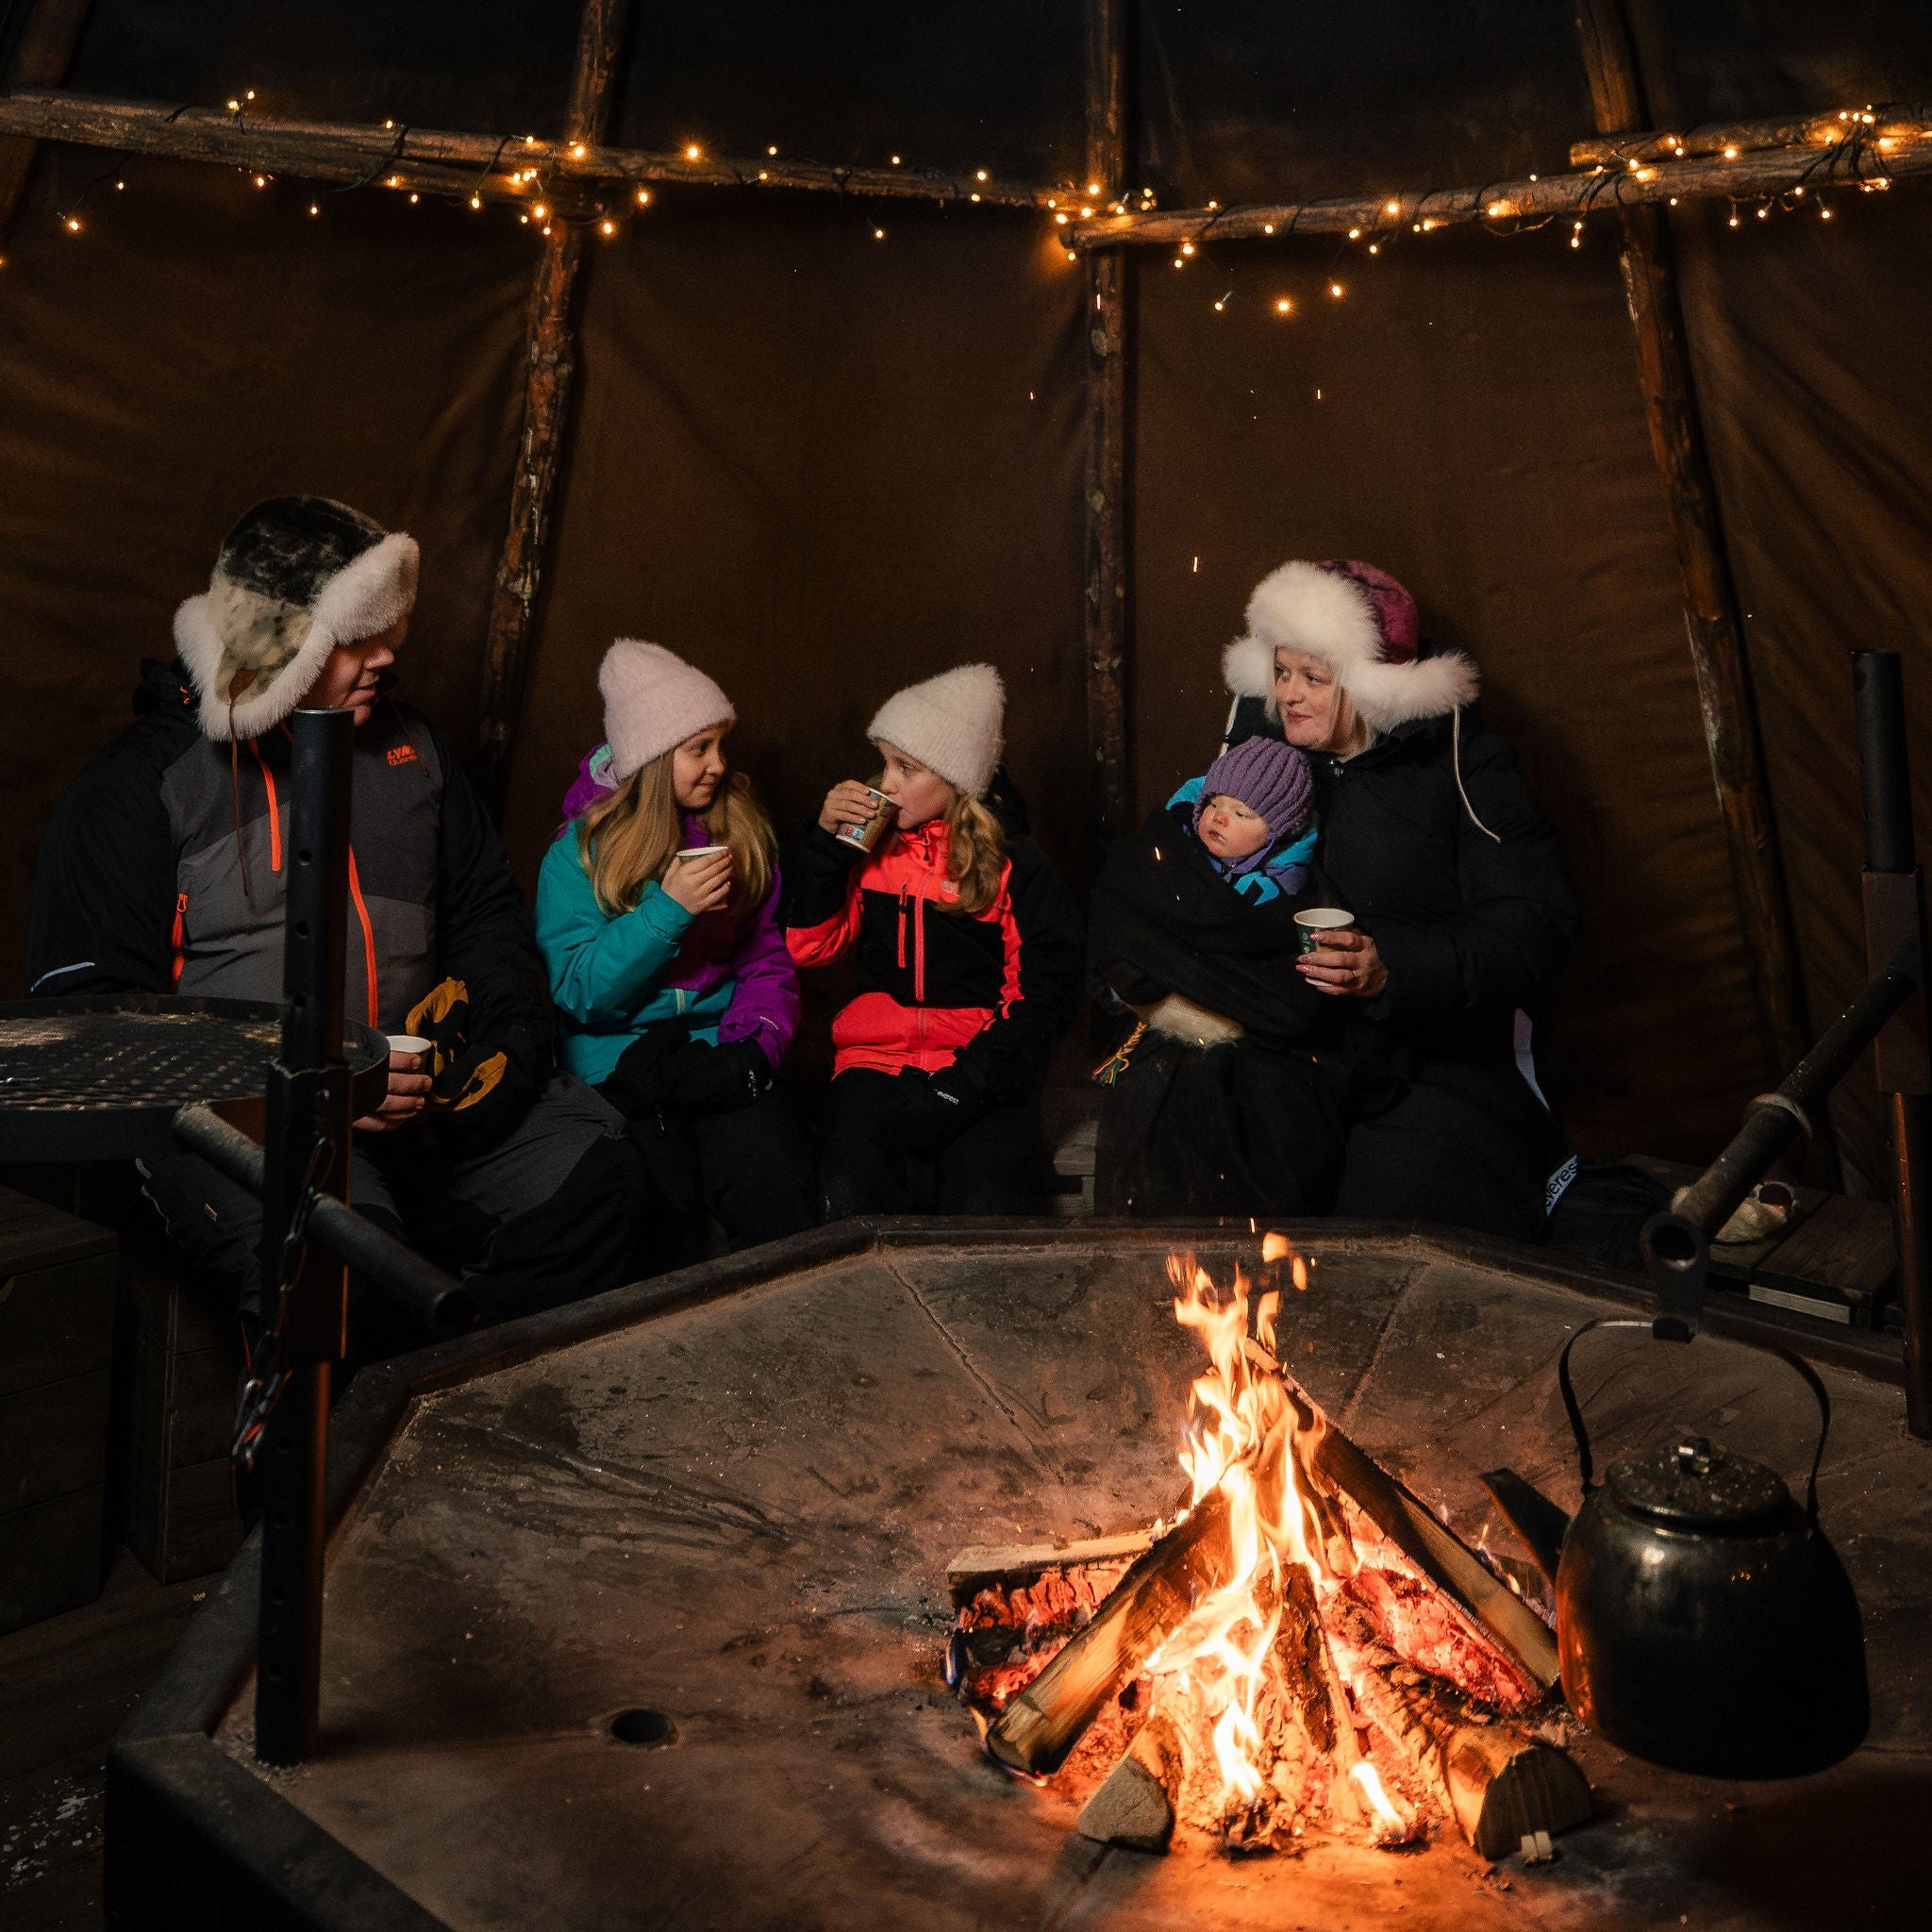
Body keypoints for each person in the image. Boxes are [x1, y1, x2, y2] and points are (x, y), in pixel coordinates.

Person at [25, 495, 649, 1348]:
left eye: (387, 631)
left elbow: (488, 917)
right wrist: (314, 1074)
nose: (388, 656)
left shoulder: (415, 752)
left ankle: (465, 1421)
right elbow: (89, 1018)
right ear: (278, 641)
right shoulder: (142, 786)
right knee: (347, 1263)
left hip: (413, 1103)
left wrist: (502, 1043)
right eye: (357, 637)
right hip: (242, 1118)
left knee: (593, 1174)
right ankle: (347, 1451)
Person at [1219, 557, 1576, 1243]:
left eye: (1314, 679)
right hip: (1287, 1052)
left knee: (1390, 1223)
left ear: (1371, 686)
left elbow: (1537, 929)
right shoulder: (1259, 760)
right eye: (1282, 671)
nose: (1289, 695)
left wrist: (1393, 967)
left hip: (1430, 1064)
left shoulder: (1465, 768)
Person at [535, 640, 814, 1257]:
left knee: (777, 1184)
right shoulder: (577, 855)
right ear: (655, 757)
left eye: (720, 745)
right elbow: (581, 993)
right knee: (651, 1212)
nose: (717, 764)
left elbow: (767, 961)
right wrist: (669, 910)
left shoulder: (736, 831)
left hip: (717, 1047)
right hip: (618, 1066)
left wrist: (756, 1049)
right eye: (698, 749)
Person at [783, 663, 1083, 1217]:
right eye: (884, 764)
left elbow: (1045, 994)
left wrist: (967, 1082)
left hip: (979, 1063)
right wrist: (826, 848)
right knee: (848, 1200)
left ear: (957, 779)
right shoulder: (869, 845)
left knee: (987, 1210)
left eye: (906, 768)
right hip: (874, 1061)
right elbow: (810, 947)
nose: (885, 783)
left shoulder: (1015, 863)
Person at [1090, 733, 1389, 1218]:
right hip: (1164, 1039)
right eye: (1214, 803)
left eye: (1243, 813)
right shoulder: (1164, 860)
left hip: (1259, 1056)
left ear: (1280, 831)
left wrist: (1191, 971)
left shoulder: (1296, 895)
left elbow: (1294, 1003)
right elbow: (1123, 941)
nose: (1219, 818)